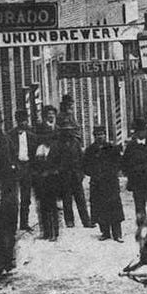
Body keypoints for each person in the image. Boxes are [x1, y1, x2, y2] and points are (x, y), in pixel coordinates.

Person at [82, 126, 125, 242]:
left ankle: (117, 234)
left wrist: (110, 172)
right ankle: (105, 232)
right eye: (96, 135)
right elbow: (85, 166)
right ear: (93, 136)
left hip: (110, 182)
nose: (99, 137)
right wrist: (94, 173)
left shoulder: (112, 148)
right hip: (97, 183)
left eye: (101, 134)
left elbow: (119, 163)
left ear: (105, 135)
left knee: (114, 206)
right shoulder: (90, 150)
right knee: (99, 207)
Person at [55, 102, 92, 228]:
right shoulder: (58, 144)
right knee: (67, 199)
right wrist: (59, 171)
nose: (68, 133)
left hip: (76, 174)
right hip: (64, 174)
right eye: (65, 131)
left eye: (70, 130)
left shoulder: (76, 143)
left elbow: (82, 159)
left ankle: (86, 221)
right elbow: (55, 159)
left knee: (80, 198)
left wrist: (82, 173)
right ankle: (69, 221)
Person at [30, 107, 64, 240]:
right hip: (41, 180)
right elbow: (34, 164)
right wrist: (37, 174)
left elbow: (60, 162)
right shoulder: (39, 149)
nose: (47, 138)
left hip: (53, 179)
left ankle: (55, 232)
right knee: (43, 206)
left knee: (53, 206)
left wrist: (54, 172)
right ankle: (46, 232)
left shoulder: (56, 148)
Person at [122, 121, 147, 220]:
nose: (141, 133)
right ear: (136, 132)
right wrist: (131, 175)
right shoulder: (131, 146)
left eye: (143, 131)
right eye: (139, 131)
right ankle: (142, 230)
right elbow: (125, 163)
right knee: (139, 207)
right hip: (137, 182)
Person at [9, 110, 35, 231]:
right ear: (17, 121)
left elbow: (35, 149)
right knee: (13, 198)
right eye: (20, 120)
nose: (23, 122)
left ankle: (24, 223)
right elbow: (8, 153)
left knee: (26, 197)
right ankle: (12, 224)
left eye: (25, 120)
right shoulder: (10, 135)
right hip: (15, 168)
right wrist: (13, 164)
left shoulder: (31, 133)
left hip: (27, 167)